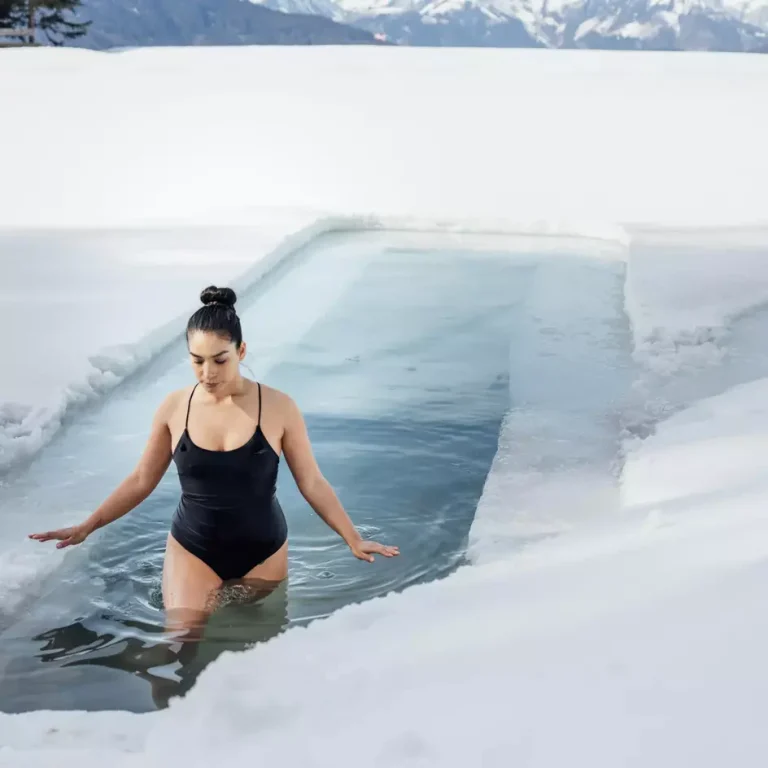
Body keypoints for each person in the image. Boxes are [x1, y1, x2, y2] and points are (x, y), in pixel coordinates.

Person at [30, 285, 399, 635]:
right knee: (182, 641)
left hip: (264, 553)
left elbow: (312, 482)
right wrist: (88, 526)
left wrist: (353, 538)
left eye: (220, 360)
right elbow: (142, 479)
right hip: (193, 548)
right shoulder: (174, 408)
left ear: (241, 352)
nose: (207, 373)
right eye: (197, 361)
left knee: (256, 644)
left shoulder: (279, 407)